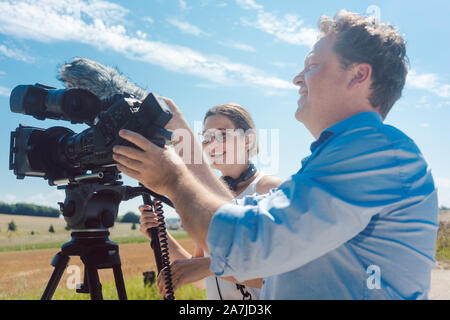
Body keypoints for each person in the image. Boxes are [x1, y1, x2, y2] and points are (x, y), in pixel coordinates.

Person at [113, 10, 439, 299]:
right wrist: (182, 138)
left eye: (312, 65)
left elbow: (248, 247)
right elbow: (236, 222)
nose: (297, 78)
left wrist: (173, 177)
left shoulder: (373, 152)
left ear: (358, 75)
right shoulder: (327, 167)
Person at [139, 103, 282, 299]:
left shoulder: (269, 188)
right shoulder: (207, 199)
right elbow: (199, 279)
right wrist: (160, 234)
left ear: (248, 140)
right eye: (206, 137)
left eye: (222, 135)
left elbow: (279, 275)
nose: (211, 143)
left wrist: (210, 267)